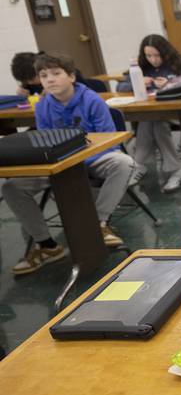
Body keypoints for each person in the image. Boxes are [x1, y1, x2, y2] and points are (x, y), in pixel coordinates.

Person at [1, 54, 134, 275]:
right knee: (10, 187)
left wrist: (76, 162)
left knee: (123, 162)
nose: (49, 80)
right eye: (44, 76)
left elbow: (109, 141)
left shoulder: (92, 100)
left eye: (55, 73)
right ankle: (47, 245)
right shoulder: (43, 106)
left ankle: (99, 224)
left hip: (93, 159)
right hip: (58, 165)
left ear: (71, 76)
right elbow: (44, 141)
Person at [117, 34, 181, 192]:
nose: (153, 59)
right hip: (153, 114)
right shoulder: (141, 68)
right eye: (148, 55)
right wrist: (137, 82)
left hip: (180, 114)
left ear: (165, 52)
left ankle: (139, 165)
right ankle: (175, 170)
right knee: (153, 120)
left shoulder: (177, 65)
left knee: (152, 119)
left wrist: (171, 84)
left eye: (157, 55)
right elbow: (119, 87)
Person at [11, 51, 88, 96]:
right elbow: (28, 95)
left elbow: (82, 93)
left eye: (31, 79)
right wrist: (22, 93)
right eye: (25, 80)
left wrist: (56, 92)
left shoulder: (68, 73)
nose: (30, 83)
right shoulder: (29, 81)